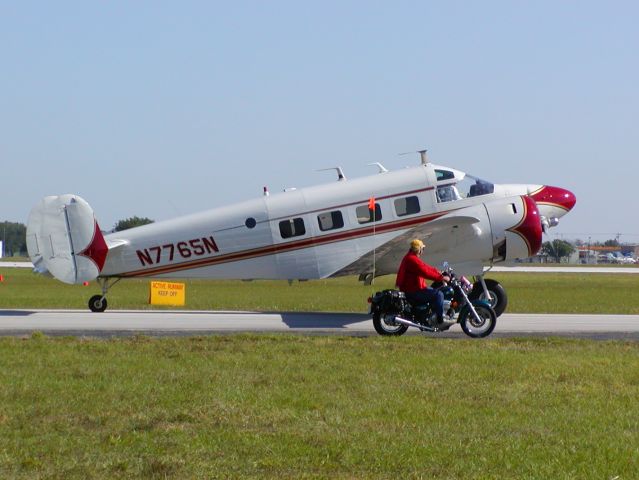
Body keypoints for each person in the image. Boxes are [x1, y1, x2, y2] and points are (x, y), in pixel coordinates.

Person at [396, 239, 450, 324]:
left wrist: (438, 272)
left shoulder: (411, 257)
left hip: (413, 288)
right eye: (422, 249)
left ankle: (431, 314)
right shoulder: (412, 259)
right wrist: (442, 278)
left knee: (433, 289)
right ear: (419, 250)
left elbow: (425, 267)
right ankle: (440, 319)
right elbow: (425, 272)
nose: (423, 251)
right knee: (439, 294)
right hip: (413, 291)